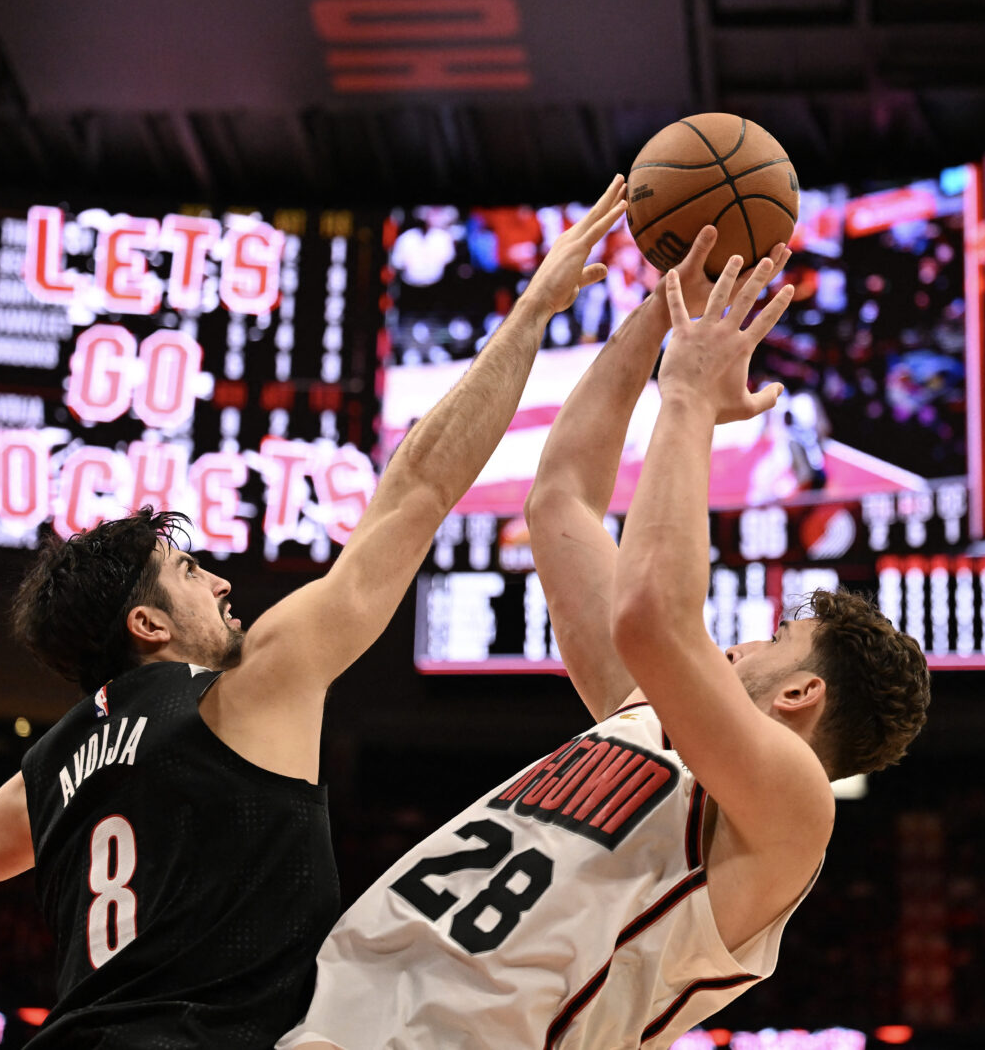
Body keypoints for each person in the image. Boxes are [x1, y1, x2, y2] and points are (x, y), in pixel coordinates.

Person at [0, 175, 633, 1050]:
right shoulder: (242, 691)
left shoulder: (48, 772)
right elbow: (419, 486)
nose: (224, 583)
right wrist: (535, 306)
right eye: (190, 571)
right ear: (146, 625)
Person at [280, 230, 931, 1049]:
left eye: (774, 638)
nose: (739, 644)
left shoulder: (790, 804)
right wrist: (661, 309)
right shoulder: (644, 708)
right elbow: (562, 501)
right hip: (331, 1019)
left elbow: (653, 616)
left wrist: (690, 396)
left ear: (802, 693)